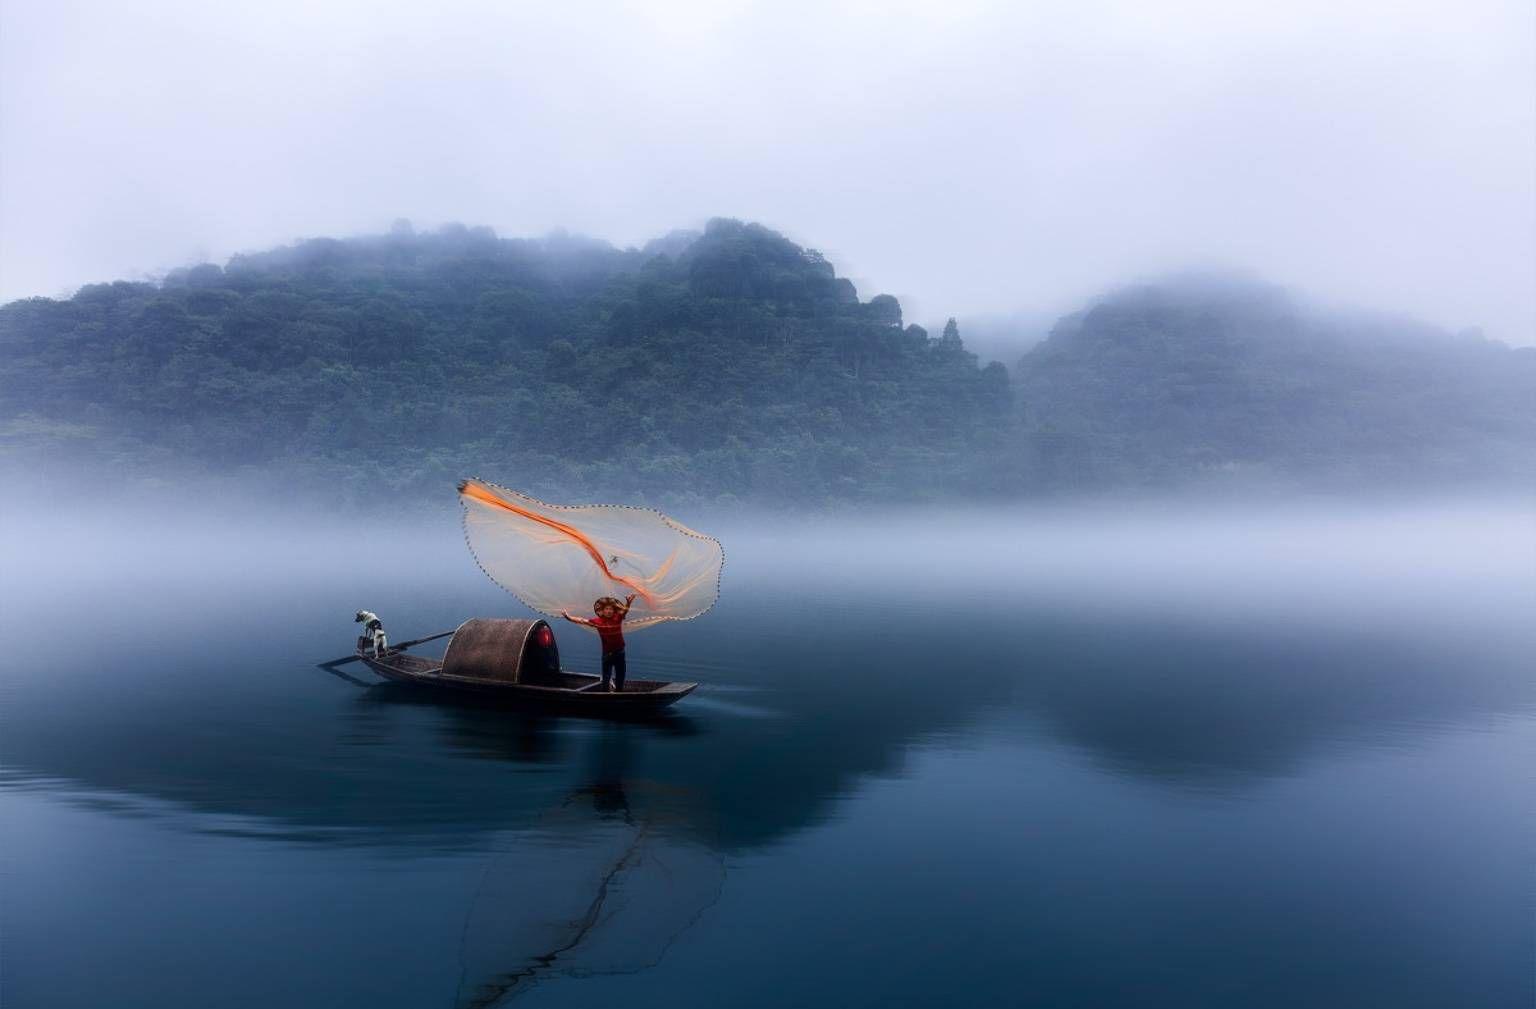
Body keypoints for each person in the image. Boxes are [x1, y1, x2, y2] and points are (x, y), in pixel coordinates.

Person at [561, 594, 635, 691]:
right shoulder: (597, 621)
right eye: (607, 609)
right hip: (607, 654)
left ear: (614, 611)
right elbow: (582, 620)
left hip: (620, 653)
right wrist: (569, 617)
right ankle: (605, 695)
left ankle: (619, 694)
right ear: (602, 611)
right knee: (606, 678)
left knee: (620, 676)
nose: (609, 611)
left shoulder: (618, 617)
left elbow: (625, 610)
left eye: (611, 609)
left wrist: (629, 602)